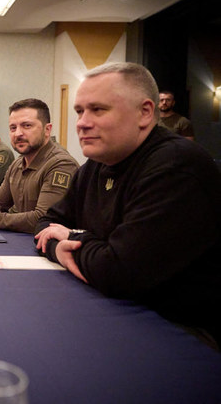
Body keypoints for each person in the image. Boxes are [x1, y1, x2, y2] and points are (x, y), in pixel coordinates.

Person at [35, 62, 221, 348]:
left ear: (144, 113)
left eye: (98, 109)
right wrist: (57, 247)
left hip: (179, 331)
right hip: (113, 306)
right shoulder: (95, 165)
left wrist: (72, 238)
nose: (82, 122)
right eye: (80, 111)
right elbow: (46, 223)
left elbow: (118, 271)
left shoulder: (175, 165)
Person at [0, 99, 78, 233]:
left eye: (27, 126)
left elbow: (43, 219)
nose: (18, 133)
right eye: (13, 128)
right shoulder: (18, 163)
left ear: (47, 130)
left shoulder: (61, 164)